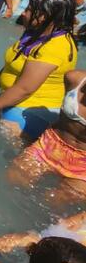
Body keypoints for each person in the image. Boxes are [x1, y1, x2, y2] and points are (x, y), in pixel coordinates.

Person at [0, 0, 78, 139]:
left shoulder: (56, 46)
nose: (23, 14)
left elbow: (25, 89)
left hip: (29, 112)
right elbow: (14, 64)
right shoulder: (35, 34)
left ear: (45, 16)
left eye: (29, 10)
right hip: (12, 100)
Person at [8, 67, 86, 201]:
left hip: (83, 163)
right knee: (13, 181)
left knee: (53, 202)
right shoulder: (74, 78)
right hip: (50, 144)